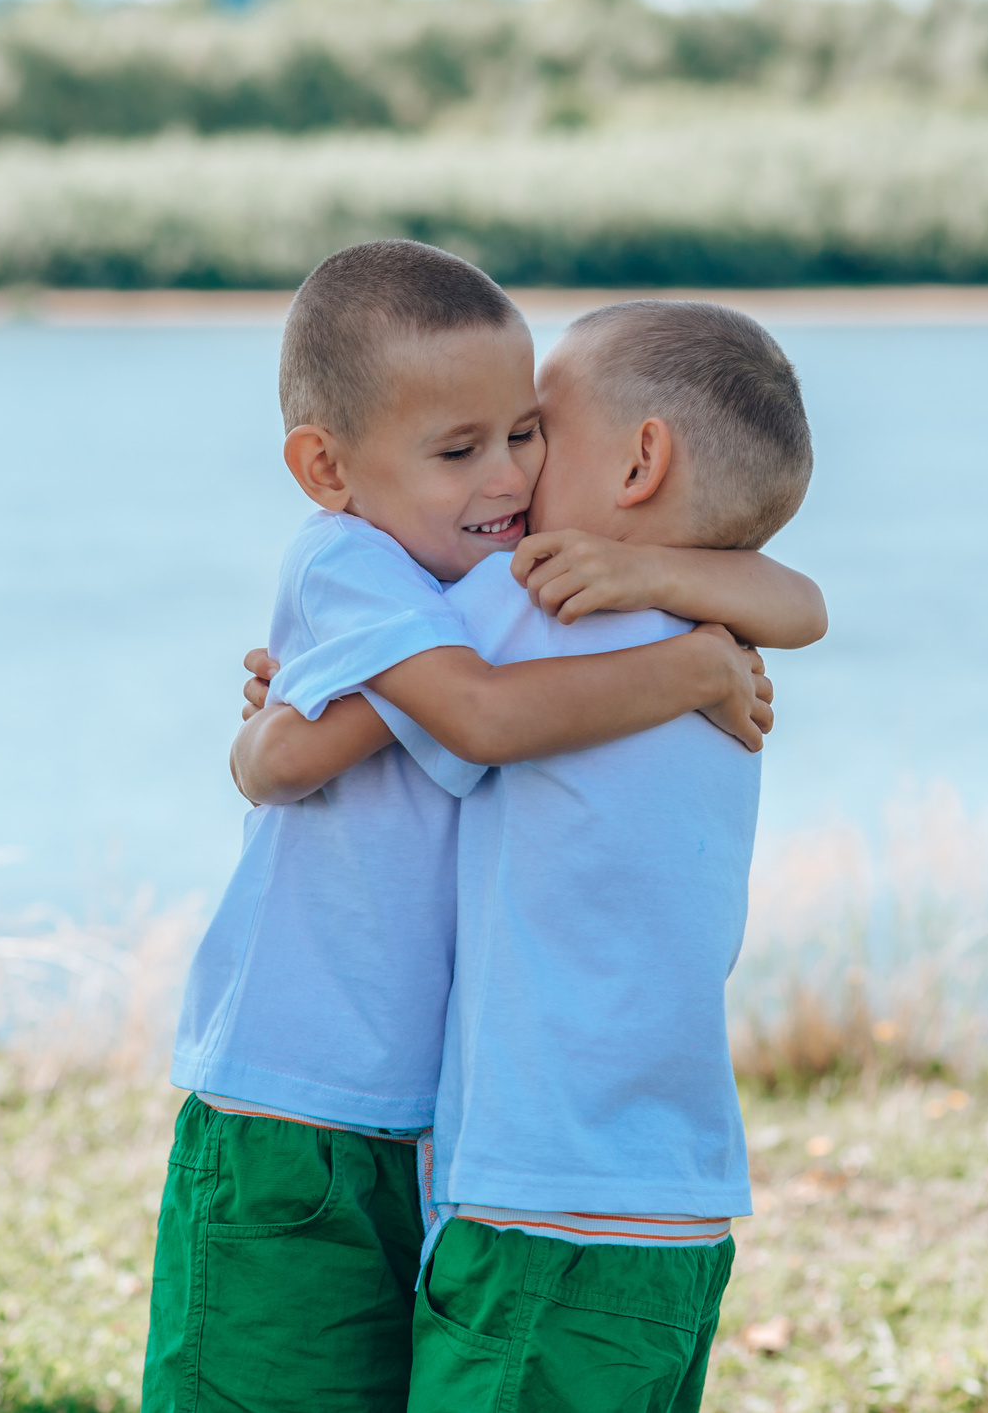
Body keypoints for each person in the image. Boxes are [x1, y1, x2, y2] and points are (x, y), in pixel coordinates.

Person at [145, 245, 820, 1413]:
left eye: (526, 432)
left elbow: (801, 603)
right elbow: (389, 735)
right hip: (298, 1084)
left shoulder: (529, 576)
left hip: (438, 1123)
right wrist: (691, 665)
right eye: (463, 449)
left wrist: (651, 574)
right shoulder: (366, 563)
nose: (508, 474)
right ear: (326, 465)